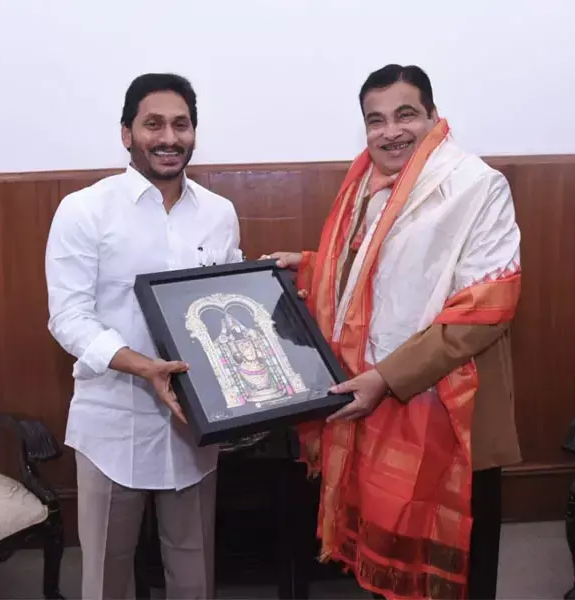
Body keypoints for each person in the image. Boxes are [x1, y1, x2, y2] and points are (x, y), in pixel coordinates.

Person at [265, 64, 522, 600]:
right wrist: (312, 266)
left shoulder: (476, 185)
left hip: (452, 405)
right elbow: (372, 272)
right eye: (375, 120)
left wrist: (387, 377)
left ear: (432, 115)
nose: (391, 131)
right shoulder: (367, 183)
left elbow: (485, 308)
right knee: (389, 540)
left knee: (457, 561)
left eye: (405, 115)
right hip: (377, 394)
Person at [45, 72, 243, 600]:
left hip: (194, 423)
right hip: (113, 422)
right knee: (107, 575)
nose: (168, 137)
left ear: (195, 133)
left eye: (181, 124)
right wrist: (141, 365)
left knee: (194, 568)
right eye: (153, 124)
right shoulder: (85, 210)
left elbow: (227, 307)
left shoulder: (219, 214)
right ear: (127, 133)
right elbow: (67, 317)